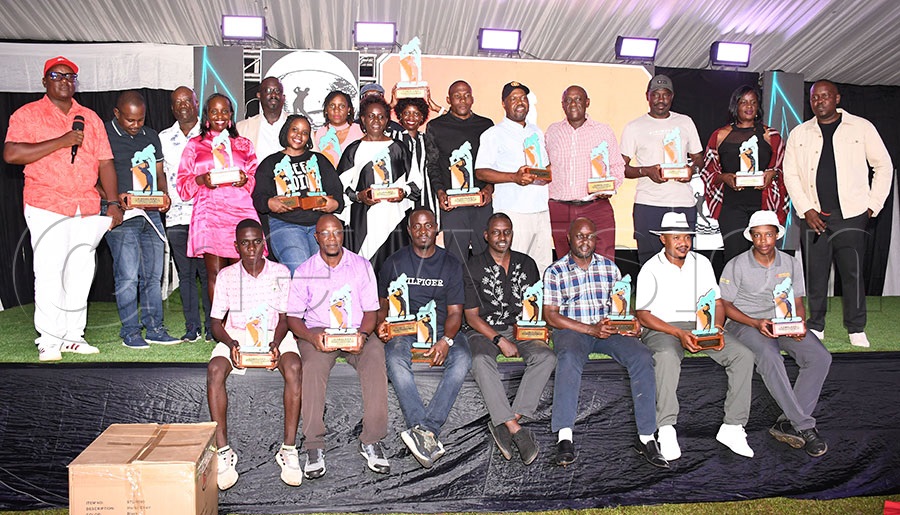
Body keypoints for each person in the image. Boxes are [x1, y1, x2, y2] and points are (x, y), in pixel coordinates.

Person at [3, 55, 123, 361]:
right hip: (47, 203)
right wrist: (62, 140)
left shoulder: (90, 118)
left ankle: (73, 336)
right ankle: (49, 339)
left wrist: (112, 203)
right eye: (57, 76)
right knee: (49, 272)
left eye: (70, 76)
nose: (64, 81)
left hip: (85, 205)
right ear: (44, 81)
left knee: (80, 273)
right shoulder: (27, 114)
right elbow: (12, 154)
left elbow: (105, 162)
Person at [544, 217, 666, 468]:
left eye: (590, 236)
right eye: (580, 236)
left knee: (642, 356)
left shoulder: (610, 268)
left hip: (607, 329)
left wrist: (630, 324)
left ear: (596, 239)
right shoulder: (555, 271)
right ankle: (564, 437)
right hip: (573, 330)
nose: (585, 241)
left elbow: (619, 307)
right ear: (569, 238)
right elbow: (551, 316)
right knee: (568, 358)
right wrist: (590, 329)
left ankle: (646, 438)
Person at [635, 212, 756, 460]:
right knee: (666, 356)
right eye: (676, 237)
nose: (683, 243)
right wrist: (678, 333)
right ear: (663, 239)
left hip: (701, 325)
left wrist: (717, 328)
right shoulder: (650, 268)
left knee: (743, 355)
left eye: (687, 237)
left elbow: (717, 302)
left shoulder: (701, 263)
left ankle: (733, 427)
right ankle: (666, 428)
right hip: (663, 327)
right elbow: (643, 315)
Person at [782, 80, 893, 348]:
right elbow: (790, 174)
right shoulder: (799, 133)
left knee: (852, 273)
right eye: (814, 98)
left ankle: (856, 328)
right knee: (815, 274)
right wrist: (806, 209)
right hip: (814, 215)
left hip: (852, 215)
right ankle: (816, 325)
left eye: (825, 96)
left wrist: (872, 206)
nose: (819, 101)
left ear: (837, 98)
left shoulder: (861, 127)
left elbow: (883, 166)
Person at [720, 210, 832, 457]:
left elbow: (797, 300)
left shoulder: (790, 262)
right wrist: (755, 322)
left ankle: (786, 423)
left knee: (820, 357)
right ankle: (804, 426)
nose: (763, 240)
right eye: (758, 235)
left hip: (783, 321)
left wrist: (799, 323)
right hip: (745, 322)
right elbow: (725, 306)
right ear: (750, 236)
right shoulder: (736, 264)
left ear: (777, 235)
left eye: (768, 234)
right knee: (770, 356)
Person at [287, 214, 390, 478]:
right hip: (320, 331)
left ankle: (372, 439)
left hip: (356, 329)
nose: (331, 238)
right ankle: (313, 444)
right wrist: (311, 338)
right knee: (311, 367)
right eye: (325, 233)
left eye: (336, 232)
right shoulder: (305, 270)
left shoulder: (361, 265)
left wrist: (364, 335)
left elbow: (371, 311)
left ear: (343, 235)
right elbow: (293, 318)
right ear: (316, 237)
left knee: (375, 355)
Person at [206, 219, 302, 490]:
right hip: (237, 334)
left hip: (273, 333)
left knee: (294, 367)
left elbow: (284, 318)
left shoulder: (280, 272)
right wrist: (231, 343)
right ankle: (224, 452)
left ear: (264, 245)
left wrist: (275, 343)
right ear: (236, 247)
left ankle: (288, 449)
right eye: (245, 243)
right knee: (214, 370)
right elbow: (216, 323)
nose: (251, 248)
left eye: (256, 242)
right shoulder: (226, 276)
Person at [377, 208, 471, 468]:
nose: (422, 231)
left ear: (436, 228)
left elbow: (456, 312)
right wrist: (381, 322)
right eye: (416, 226)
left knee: (463, 358)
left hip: (441, 327)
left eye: (428, 225)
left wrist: (446, 340)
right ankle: (424, 431)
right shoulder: (394, 262)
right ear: (409, 231)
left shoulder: (451, 263)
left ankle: (426, 429)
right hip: (404, 328)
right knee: (394, 359)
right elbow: (383, 301)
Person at [463, 213, 555, 465]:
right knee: (480, 360)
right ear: (486, 235)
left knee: (546, 357)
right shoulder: (473, 265)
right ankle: (516, 429)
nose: (502, 237)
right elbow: (471, 316)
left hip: (520, 330)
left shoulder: (527, 264)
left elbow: (534, 304)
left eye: (507, 232)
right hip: (483, 330)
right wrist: (499, 341)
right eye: (496, 232)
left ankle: (506, 421)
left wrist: (537, 328)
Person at [104, 90, 179, 349]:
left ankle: (155, 328)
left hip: (151, 212)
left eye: (140, 119)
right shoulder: (104, 134)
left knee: (153, 275)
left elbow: (159, 173)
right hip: (122, 214)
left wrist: (164, 195)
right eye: (130, 120)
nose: (136, 125)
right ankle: (130, 331)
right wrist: (114, 199)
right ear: (117, 113)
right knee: (127, 276)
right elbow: (92, 177)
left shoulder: (151, 136)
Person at [177, 93, 260, 305]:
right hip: (210, 213)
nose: (220, 116)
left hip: (240, 212)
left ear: (231, 115)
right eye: (214, 111)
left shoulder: (244, 144)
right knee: (216, 275)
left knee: (244, 273)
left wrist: (245, 180)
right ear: (207, 115)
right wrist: (201, 179)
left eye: (224, 111)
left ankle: (244, 320)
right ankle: (220, 322)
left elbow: (254, 178)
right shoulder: (195, 145)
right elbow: (183, 187)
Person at [620, 74, 703, 264]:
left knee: (684, 262)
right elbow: (621, 167)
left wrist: (692, 171)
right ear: (647, 96)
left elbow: (699, 158)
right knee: (649, 262)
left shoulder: (685, 122)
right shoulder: (634, 127)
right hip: (648, 203)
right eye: (655, 94)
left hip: (682, 202)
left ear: (672, 96)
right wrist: (646, 171)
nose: (660, 99)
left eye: (665, 94)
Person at [700, 85, 787, 262]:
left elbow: (785, 168)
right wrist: (724, 177)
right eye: (744, 102)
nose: (749, 106)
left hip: (763, 206)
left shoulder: (771, 135)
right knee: (734, 257)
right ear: (735, 106)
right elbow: (707, 171)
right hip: (731, 206)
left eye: (753, 102)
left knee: (763, 256)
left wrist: (772, 174)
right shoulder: (720, 135)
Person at [337, 95, 422, 273]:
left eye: (381, 116)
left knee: (394, 272)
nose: (376, 121)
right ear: (363, 119)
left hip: (395, 220)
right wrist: (359, 196)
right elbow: (340, 189)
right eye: (371, 116)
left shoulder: (399, 148)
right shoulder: (353, 150)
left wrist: (403, 192)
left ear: (387, 120)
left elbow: (416, 183)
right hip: (363, 221)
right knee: (365, 270)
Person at [475, 81, 552, 273]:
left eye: (523, 98)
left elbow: (544, 166)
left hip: (541, 209)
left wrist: (548, 172)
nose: (520, 102)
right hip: (514, 211)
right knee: (517, 269)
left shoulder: (536, 131)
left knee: (542, 266)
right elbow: (481, 171)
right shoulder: (493, 134)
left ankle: (538, 295)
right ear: (504, 104)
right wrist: (514, 177)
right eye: (514, 98)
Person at [252, 114, 343, 274]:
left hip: (319, 224)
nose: (299, 135)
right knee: (302, 272)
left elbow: (337, 193)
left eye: (304, 132)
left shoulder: (319, 160)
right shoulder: (270, 163)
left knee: (325, 272)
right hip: (285, 224)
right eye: (295, 130)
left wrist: (333, 204)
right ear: (286, 131)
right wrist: (269, 203)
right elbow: (258, 198)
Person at [545, 85, 625, 260]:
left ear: (587, 102)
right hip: (560, 209)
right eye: (568, 100)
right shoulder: (552, 131)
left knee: (604, 261)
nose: (573, 104)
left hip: (595, 207)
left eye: (578, 99)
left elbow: (618, 166)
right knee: (565, 263)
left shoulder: (603, 131)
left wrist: (609, 189)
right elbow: (544, 167)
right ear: (562, 105)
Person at [160, 86, 212, 342]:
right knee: (186, 275)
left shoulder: (210, 134)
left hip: (205, 215)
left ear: (196, 103)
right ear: (172, 108)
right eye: (177, 102)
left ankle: (212, 327)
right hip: (176, 217)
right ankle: (192, 327)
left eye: (187, 100)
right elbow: (158, 174)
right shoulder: (163, 137)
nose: (183, 105)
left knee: (208, 274)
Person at [424, 80, 495, 264]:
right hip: (453, 204)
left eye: (466, 95)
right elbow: (432, 165)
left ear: (472, 99)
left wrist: (489, 188)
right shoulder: (436, 127)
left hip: (481, 203)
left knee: (485, 257)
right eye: (457, 96)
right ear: (449, 99)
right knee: (455, 258)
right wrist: (440, 193)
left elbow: (493, 163)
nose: (462, 100)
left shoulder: (486, 125)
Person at [391, 97, 439, 215]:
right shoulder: (391, 138)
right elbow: (370, 120)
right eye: (407, 113)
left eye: (416, 114)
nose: (411, 117)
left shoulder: (427, 139)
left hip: (426, 195)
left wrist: (438, 109)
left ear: (422, 117)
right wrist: (390, 105)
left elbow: (454, 124)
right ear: (400, 115)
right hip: (399, 197)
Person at [236, 76, 288, 161]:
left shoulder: (297, 125)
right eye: (268, 90)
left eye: (277, 91)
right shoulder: (242, 128)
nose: (273, 95)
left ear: (283, 97)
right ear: (259, 95)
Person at [312, 90, 363, 167]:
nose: (336, 110)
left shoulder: (360, 132)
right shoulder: (316, 136)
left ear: (348, 109)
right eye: (332, 106)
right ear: (326, 110)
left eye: (342, 106)